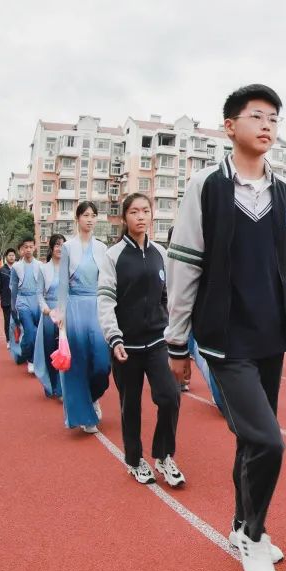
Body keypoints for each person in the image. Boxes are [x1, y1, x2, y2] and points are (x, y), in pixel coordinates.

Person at [164, 84, 286, 571]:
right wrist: (178, 343)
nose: (267, 126)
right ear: (230, 126)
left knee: (249, 441)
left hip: (271, 338)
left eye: (274, 120)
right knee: (270, 442)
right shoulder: (206, 187)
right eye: (257, 116)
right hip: (222, 341)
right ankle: (253, 531)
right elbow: (184, 265)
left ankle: (242, 526)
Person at [98, 193, 184, 487]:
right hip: (126, 346)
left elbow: (167, 296)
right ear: (124, 218)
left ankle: (163, 454)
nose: (141, 216)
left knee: (170, 397)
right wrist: (114, 336)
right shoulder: (113, 256)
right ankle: (135, 460)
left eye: (146, 211)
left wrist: (174, 330)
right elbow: (106, 299)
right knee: (130, 405)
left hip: (157, 342)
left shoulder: (161, 253)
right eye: (134, 212)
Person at [54, 202, 112, 434]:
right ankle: (85, 413)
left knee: (101, 363)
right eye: (86, 215)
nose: (90, 219)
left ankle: (94, 395)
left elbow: (107, 281)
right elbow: (63, 285)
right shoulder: (68, 247)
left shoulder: (102, 247)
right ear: (77, 218)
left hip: (97, 307)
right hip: (75, 308)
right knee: (78, 363)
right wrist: (61, 314)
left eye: (94, 216)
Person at [34, 234, 66, 399]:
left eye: (62, 245)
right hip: (48, 314)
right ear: (52, 248)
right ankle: (50, 383)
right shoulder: (43, 269)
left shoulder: (70, 268)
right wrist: (45, 309)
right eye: (57, 245)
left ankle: (61, 389)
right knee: (50, 350)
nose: (60, 248)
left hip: (65, 313)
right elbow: (39, 293)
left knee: (63, 350)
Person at [10, 237, 42, 374]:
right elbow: (14, 288)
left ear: (34, 248)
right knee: (30, 331)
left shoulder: (40, 265)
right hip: (23, 302)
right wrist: (13, 307)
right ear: (22, 249)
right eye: (25, 247)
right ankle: (31, 360)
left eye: (31, 247)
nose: (28, 250)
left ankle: (25, 352)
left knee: (38, 333)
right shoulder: (16, 267)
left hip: (38, 301)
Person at [0, 249, 17, 349]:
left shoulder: (19, 268)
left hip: (18, 300)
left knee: (18, 321)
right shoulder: (1, 271)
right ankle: (8, 340)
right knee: (8, 321)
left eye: (13, 255)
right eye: (10, 255)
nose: (12, 257)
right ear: (6, 257)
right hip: (6, 300)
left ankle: (17, 338)